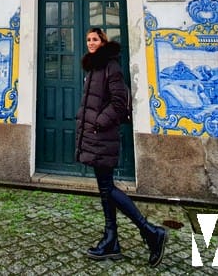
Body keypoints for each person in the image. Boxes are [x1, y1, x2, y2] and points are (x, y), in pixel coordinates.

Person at [75, 26, 168, 267]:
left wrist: (97, 123)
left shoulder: (110, 66)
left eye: (94, 39)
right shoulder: (94, 67)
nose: (90, 43)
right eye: (88, 40)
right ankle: (111, 240)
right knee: (105, 189)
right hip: (94, 138)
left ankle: (151, 232)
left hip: (102, 137)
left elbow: (119, 103)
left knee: (108, 189)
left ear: (103, 41)